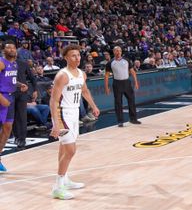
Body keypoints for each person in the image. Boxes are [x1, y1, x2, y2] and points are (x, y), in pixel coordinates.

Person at [50, 45, 100, 200]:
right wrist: (56, 123)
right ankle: (57, 187)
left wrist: (93, 106)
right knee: (71, 150)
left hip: (74, 113)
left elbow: (84, 91)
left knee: (64, 149)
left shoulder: (81, 74)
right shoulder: (62, 75)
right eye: (73, 56)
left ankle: (64, 180)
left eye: (78, 55)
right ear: (66, 58)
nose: (77, 58)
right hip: (63, 113)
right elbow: (53, 100)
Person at [104, 46, 140, 127]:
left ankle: (133, 119)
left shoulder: (126, 60)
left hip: (127, 82)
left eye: (119, 50)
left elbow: (132, 72)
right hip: (117, 84)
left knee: (131, 100)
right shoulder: (110, 63)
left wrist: (136, 82)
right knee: (118, 103)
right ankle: (120, 121)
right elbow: (106, 76)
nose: (118, 52)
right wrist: (106, 87)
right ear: (113, 52)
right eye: (116, 50)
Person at [0, 41, 20, 172]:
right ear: (4, 51)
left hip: (10, 97)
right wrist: (1, 98)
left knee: (7, 129)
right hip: (2, 97)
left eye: (13, 47)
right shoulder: (1, 62)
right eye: (9, 48)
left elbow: (8, 79)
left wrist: (19, 84)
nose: (12, 49)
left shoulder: (14, 64)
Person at [12, 57, 36, 149]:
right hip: (9, 93)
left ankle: (22, 139)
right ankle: (16, 136)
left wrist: (35, 90)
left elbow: (32, 77)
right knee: (12, 117)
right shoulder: (3, 64)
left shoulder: (22, 63)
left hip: (22, 93)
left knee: (22, 116)